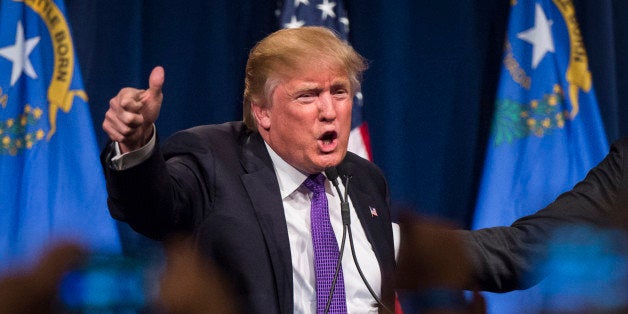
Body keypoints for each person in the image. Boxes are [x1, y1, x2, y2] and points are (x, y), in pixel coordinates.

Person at [101, 26, 399, 313]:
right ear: (263, 112)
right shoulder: (213, 161)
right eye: (308, 95)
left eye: (339, 92)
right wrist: (135, 145)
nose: (330, 112)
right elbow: (151, 209)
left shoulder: (366, 181)